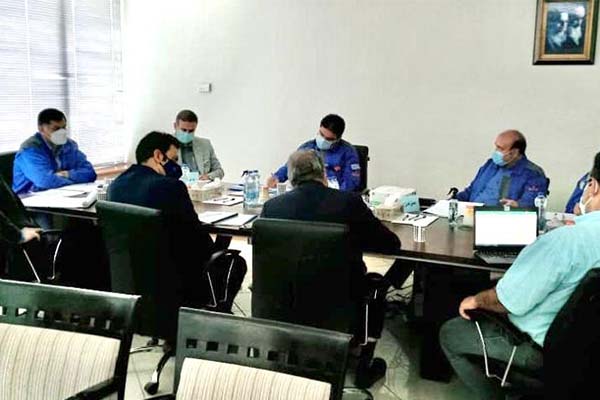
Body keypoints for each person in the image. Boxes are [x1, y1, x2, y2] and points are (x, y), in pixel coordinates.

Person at [439, 152, 600, 400]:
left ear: (593, 186)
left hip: (541, 350)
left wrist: (476, 300)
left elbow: (508, 301)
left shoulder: (566, 240)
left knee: (451, 333)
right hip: (589, 348)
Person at [261, 149, 400, 387]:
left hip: (283, 302)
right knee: (376, 284)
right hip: (339, 300)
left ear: (291, 178)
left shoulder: (272, 207)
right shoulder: (348, 203)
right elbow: (390, 244)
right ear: (323, 173)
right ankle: (363, 362)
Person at [108, 131, 245, 309]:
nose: (176, 166)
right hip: (174, 280)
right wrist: (219, 246)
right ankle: (215, 313)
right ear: (158, 156)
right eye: (173, 159)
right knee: (234, 262)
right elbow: (198, 239)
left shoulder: (116, 186)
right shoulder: (171, 187)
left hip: (129, 277)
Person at [266, 114, 361, 192]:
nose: (323, 140)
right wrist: (276, 177)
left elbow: (351, 182)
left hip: (333, 196)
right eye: (321, 134)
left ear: (338, 139)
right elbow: (291, 167)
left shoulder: (348, 152)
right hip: (307, 194)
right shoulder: (307, 147)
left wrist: (335, 196)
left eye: (328, 139)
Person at [12, 108, 96, 194]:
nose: (62, 132)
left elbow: (90, 173)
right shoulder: (30, 149)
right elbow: (45, 182)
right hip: (28, 198)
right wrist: (75, 179)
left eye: (64, 128)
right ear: (41, 129)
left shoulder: (69, 145)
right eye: (56, 129)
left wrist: (66, 174)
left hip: (63, 194)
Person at [456, 130, 547, 208]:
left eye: (500, 148)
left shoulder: (533, 174)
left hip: (501, 218)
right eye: (496, 146)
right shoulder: (490, 165)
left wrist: (517, 205)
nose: (496, 151)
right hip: (471, 213)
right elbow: (471, 191)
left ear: (514, 153)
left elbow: (532, 203)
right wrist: (453, 201)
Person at [173, 109, 224, 180]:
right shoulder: (165, 145)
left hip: (201, 184)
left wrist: (208, 176)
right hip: (177, 185)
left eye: (191, 131)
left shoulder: (205, 144)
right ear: (175, 126)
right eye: (184, 130)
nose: (187, 134)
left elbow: (220, 171)